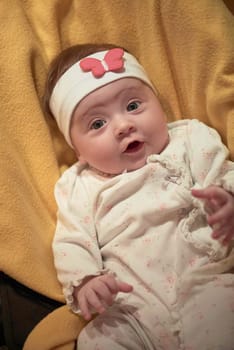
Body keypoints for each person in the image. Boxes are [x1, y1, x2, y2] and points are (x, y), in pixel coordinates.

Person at [44, 43, 234, 350]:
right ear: (77, 149)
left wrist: (228, 200)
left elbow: (222, 173)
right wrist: (85, 282)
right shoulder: (79, 184)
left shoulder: (189, 138)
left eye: (133, 106)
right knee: (96, 341)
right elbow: (71, 240)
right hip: (128, 308)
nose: (123, 126)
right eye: (97, 123)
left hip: (206, 283)